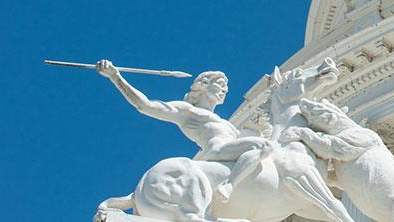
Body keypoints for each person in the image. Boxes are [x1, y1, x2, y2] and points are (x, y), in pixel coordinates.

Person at [97, 60, 270, 200]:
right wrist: (115, 77)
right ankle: (229, 185)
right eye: (220, 85)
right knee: (263, 146)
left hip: (232, 154)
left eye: (226, 87)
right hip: (217, 151)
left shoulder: (225, 123)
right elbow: (145, 106)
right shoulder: (187, 111)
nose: (225, 90)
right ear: (204, 85)